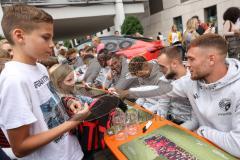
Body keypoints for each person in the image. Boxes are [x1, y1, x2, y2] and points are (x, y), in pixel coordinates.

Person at [127, 34, 240, 157]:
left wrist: (202, 131)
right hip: (203, 145)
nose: (187, 64)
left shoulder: (237, 88)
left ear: (211, 59)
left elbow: (237, 145)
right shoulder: (191, 82)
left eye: (191, 59)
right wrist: (129, 92)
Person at [0, 4, 90, 160]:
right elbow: (20, 148)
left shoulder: (40, 67)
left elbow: (49, 101)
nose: (52, 44)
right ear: (19, 36)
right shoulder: (13, 80)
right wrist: (73, 123)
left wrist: (67, 103)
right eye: (45, 37)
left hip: (72, 151)